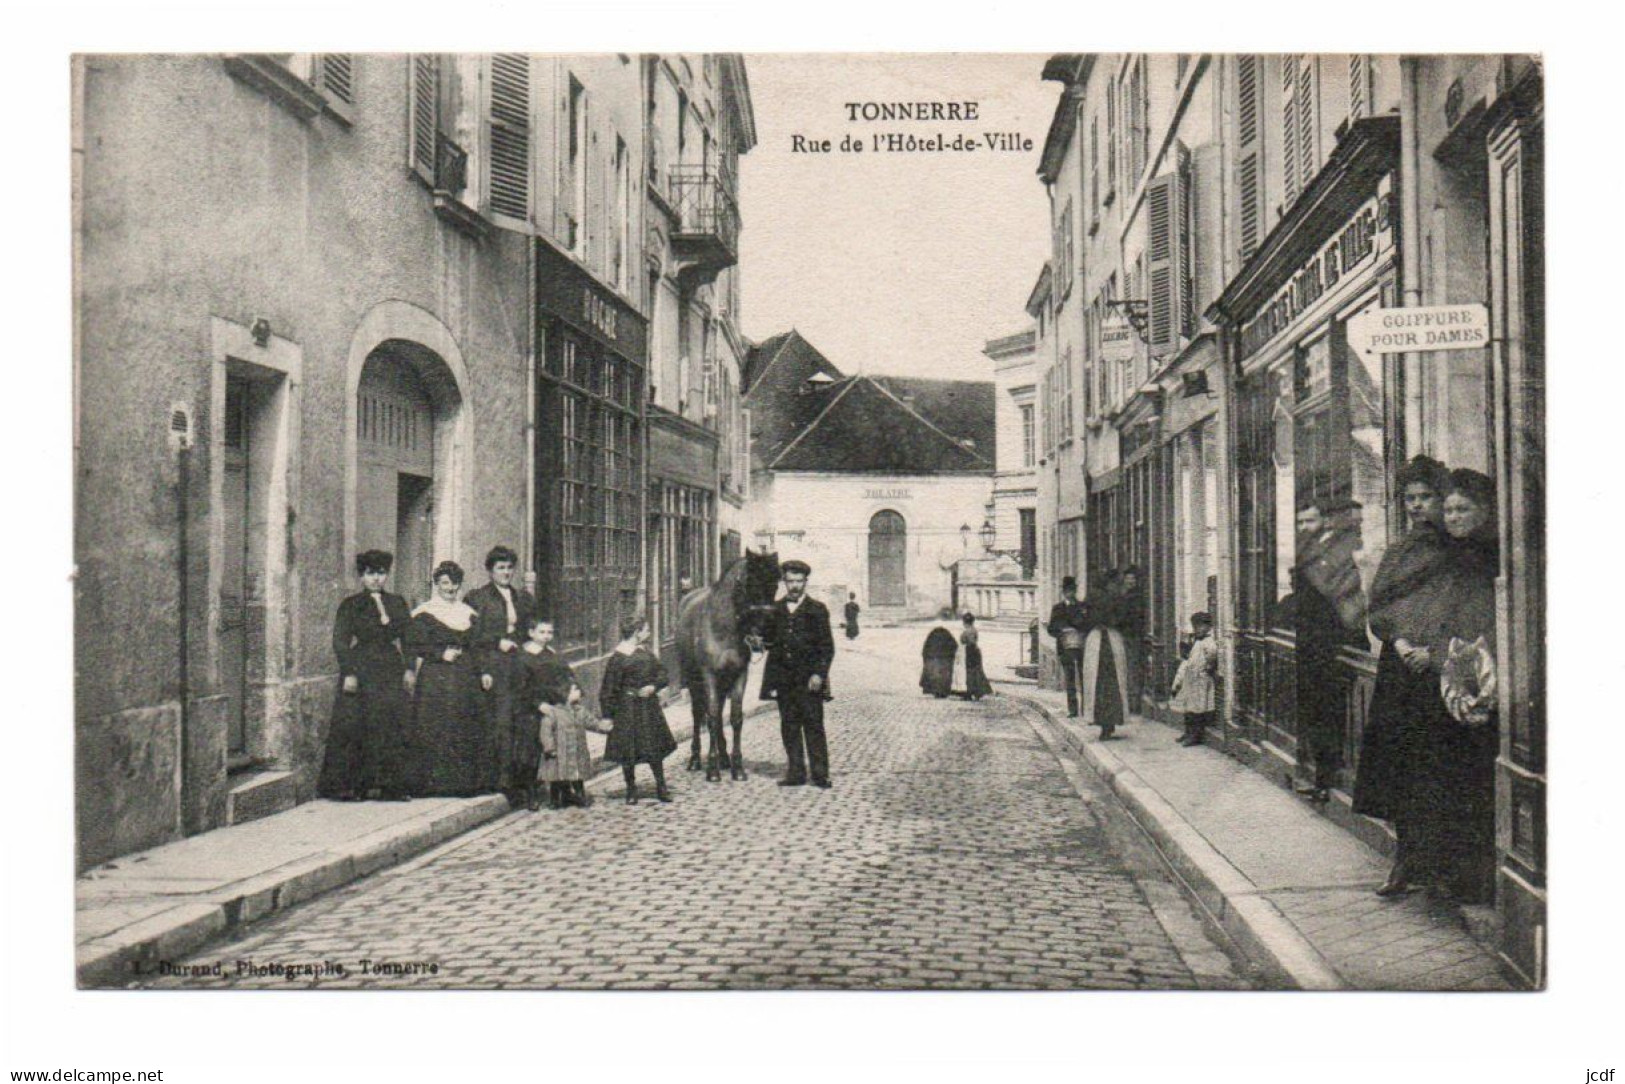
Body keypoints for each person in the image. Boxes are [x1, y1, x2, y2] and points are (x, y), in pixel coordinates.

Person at [1353, 455, 1452, 896]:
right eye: (1410, 498)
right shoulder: (1399, 551)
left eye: (1425, 497)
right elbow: (1380, 607)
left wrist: (1432, 649)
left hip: (1441, 672)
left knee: (1438, 770)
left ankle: (1441, 866)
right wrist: (1399, 642)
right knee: (1402, 767)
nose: (1416, 506)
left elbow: (1461, 608)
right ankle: (1406, 860)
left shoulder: (1460, 549)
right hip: (1400, 671)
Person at [318, 550, 414, 801]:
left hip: (390, 668)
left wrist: (409, 668)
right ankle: (354, 786)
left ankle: (389, 786)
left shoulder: (397, 603)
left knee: (390, 724)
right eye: (370, 573)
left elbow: (408, 638)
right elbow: (340, 641)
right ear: (362, 576)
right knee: (358, 726)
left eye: (381, 573)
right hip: (362, 667)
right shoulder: (351, 605)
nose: (376, 579)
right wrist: (349, 672)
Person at [1293, 503, 1368, 802]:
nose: (1303, 527)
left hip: (1335, 644)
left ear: (1325, 521)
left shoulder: (1339, 552)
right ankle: (1318, 774)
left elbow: (1347, 599)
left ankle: (1328, 777)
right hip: (1310, 646)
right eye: (1299, 522)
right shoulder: (1304, 553)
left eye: (1310, 520)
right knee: (1315, 711)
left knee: (1329, 711)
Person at [405, 561, 486, 797]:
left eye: (454, 583)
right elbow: (415, 645)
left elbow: (477, 646)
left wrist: (481, 671)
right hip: (435, 677)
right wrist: (440, 654)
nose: (450, 588)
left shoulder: (468, 614)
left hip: (463, 676)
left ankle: (461, 783)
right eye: (445, 583)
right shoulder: (424, 613)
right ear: (437, 585)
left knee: (462, 722)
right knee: (435, 724)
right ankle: (432, 783)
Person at [465, 545, 538, 806]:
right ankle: (503, 781)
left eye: (509, 568)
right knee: (501, 724)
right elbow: (471, 636)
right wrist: (496, 644)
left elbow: (532, 630)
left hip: (520, 667)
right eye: (500, 568)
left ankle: (525, 781)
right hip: (494, 667)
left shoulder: (524, 599)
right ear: (490, 571)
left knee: (524, 723)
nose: (506, 573)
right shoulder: (478, 599)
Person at [518, 615, 606, 811]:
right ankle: (533, 793)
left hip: (558, 705)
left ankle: (566, 791)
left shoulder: (552, 654)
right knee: (535, 752)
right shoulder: (523, 657)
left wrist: (574, 690)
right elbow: (519, 688)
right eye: (542, 632)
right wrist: (538, 704)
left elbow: (567, 675)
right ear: (531, 633)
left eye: (550, 632)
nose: (546, 636)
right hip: (534, 710)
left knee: (564, 748)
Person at [760, 559, 835, 789]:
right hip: (784, 680)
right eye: (790, 581)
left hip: (809, 680)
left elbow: (827, 647)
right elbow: (769, 642)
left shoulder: (817, 610)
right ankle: (796, 772)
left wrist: (819, 674)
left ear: (805, 582)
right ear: (784, 582)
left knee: (813, 725)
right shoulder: (775, 609)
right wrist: (759, 641)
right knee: (789, 726)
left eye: (799, 581)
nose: (794, 586)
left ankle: (820, 774)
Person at [599, 614, 677, 805]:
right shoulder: (618, 658)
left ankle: (661, 786)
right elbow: (608, 688)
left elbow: (663, 674)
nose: (649, 633)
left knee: (654, 749)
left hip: (648, 708)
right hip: (626, 709)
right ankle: (631, 789)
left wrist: (654, 686)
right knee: (629, 751)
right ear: (636, 632)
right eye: (646, 630)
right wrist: (608, 715)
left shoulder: (646, 653)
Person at [1081, 569, 1130, 740]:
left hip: (1096, 640)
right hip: (1111, 639)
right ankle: (1110, 722)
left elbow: (1084, 620)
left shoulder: (1092, 597)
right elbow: (1123, 620)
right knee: (1113, 681)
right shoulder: (1116, 598)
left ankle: (1103, 722)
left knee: (1097, 681)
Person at [1169, 612, 1219, 746]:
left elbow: (1212, 655)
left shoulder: (1209, 642)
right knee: (1188, 708)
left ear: (1208, 627)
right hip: (1191, 679)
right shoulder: (1197, 641)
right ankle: (1188, 732)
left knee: (1198, 709)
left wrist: (1209, 667)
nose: (1197, 629)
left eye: (1201, 626)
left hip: (1201, 679)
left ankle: (1195, 736)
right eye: (1195, 627)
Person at [1045, 576, 1090, 716]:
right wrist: (1061, 631)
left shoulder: (1082, 607)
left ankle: (1085, 708)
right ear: (1063, 592)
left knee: (1084, 677)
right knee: (1069, 679)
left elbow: (1087, 624)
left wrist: (1079, 628)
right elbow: (1051, 628)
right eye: (1068, 591)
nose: (1070, 594)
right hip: (1064, 647)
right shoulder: (1057, 609)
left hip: (1081, 647)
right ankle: (1073, 709)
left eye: (1073, 591)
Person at [956, 612, 994, 700]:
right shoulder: (974, 629)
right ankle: (978, 692)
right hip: (975, 651)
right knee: (977, 671)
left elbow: (967, 641)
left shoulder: (967, 631)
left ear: (965, 622)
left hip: (970, 651)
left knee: (970, 672)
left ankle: (970, 693)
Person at [919, 626, 958, 698]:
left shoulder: (933, 638)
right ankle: (941, 689)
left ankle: (935, 688)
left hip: (934, 655)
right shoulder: (946, 638)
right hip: (943, 655)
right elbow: (955, 647)